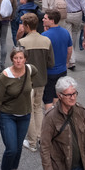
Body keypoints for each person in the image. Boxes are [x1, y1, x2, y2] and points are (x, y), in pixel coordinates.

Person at [0, 47, 38, 170]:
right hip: (7, 114)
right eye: (15, 58)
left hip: (25, 115)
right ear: (12, 59)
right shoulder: (4, 76)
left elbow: (36, 74)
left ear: (25, 59)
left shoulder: (30, 69)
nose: (18, 61)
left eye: (21, 58)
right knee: (11, 149)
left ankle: (13, 169)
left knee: (18, 147)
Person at [18, 12, 55, 153]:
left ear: (27, 26)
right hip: (41, 80)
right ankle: (40, 137)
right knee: (38, 108)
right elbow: (51, 63)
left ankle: (32, 142)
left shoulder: (22, 42)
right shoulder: (46, 41)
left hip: (27, 82)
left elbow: (18, 64)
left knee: (29, 111)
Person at [39, 76, 85, 170]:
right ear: (59, 96)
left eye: (74, 93)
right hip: (61, 168)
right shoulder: (51, 117)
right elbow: (44, 147)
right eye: (69, 95)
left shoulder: (80, 110)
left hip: (80, 166)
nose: (73, 97)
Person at [42, 10, 72, 111]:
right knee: (57, 95)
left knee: (48, 98)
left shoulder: (45, 36)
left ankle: (50, 119)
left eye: (45, 18)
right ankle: (58, 116)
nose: (43, 19)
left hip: (49, 72)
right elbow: (69, 49)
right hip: (62, 70)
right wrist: (67, 62)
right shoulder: (65, 32)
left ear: (52, 21)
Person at [61, 0, 85, 67]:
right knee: (74, 34)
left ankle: (71, 58)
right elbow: (83, 2)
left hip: (66, 13)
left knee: (68, 35)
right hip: (77, 14)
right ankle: (71, 57)